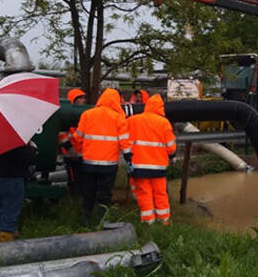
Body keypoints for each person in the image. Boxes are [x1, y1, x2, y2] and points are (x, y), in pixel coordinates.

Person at [73, 88, 131, 225]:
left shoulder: (87, 114)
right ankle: (102, 219)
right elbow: (124, 141)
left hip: (89, 163)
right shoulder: (118, 117)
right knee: (105, 193)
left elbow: (78, 137)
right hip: (109, 165)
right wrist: (129, 158)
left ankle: (86, 218)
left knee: (88, 190)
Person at [127, 94, 176, 225]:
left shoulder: (132, 120)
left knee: (144, 195)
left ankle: (148, 223)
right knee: (160, 195)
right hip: (158, 168)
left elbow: (125, 142)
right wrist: (171, 156)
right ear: (161, 108)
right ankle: (164, 221)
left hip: (138, 167)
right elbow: (171, 148)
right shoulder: (164, 123)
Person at [0, 142, 37, 242]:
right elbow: (28, 157)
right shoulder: (14, 141)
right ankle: (6, 247)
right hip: (13, 179)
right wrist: (33, 148)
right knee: (10, 212)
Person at [59, 88, 86, 197]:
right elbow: (61, 135)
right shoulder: (66, 115)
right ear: (74, 100)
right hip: (71, 155)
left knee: (82, 181)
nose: (83, 100)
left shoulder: (84, 115)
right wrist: (70, 148)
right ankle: (74, 201)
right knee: (73, 181)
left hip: (83, 155)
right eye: (81, 98)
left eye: (84, 98)